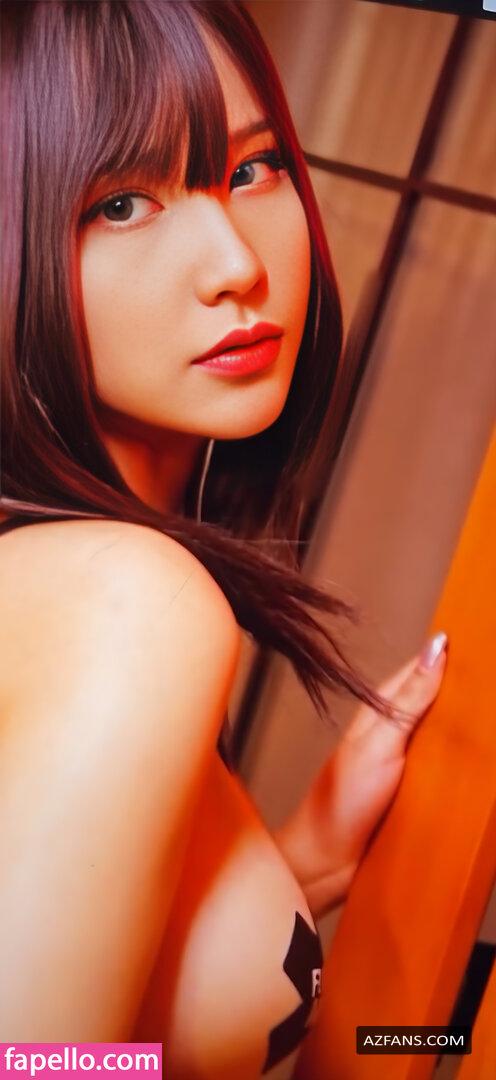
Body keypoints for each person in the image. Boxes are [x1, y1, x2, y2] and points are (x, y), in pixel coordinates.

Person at [0, 2, 448, 1076]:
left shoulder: (73, 582)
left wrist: (306, 859)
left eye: (252, 169)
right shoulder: (127, 598)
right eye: (121, 204)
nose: (235, 263)